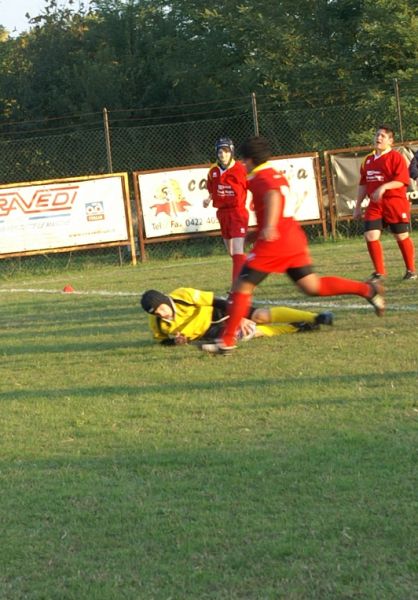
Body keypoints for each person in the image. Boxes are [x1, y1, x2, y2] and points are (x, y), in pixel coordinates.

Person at [201, 136, 385, 355]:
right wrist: (256, 233)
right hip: (292, 238)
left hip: (275, 243)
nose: (242, 163)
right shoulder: (273, 173)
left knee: (242, 286)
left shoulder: (261, 177)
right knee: (312, 286)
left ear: (250, 159)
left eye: (243, 159)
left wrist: (268, 227)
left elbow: (273, 196)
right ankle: (368, 289)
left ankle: (227, 341)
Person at [140, 287, 334, 346]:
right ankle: (297, 326)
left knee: (260, 315)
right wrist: (176, 342)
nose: (162, 313)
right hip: (210, 330)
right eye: (157, 313)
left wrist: (238, 316)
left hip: (220, 311)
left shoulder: (183, 296)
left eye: (161, 308)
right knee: (249, 333)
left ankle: (315, 317)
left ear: (165, 299)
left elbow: (219, 302)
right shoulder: (157, 322)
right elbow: (161, 341)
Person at [353, 125, 417, 281]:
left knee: (401, 236)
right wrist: (357, 206)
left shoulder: (396, 157)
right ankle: (379, 272)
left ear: (390, 141)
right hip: (375, 205)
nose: (378, 138)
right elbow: (363, 184)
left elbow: (402, 181)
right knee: (370, 235)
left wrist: (384, 187)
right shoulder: (368, 160)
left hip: (394, 203)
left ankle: (411, 270)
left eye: (382, 136)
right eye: (377, 135)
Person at [204, 137, 249, 286]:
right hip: (222, 214)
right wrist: (208, 199)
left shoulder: (241, 169)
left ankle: (237, 288)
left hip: (238, 212)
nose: (223, 154)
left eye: (226, 151)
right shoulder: (213, 170)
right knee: (232, 253)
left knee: (237, 251)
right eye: (220, 151)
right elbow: (212, 189)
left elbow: (252, 184)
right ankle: (248, 270)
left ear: (232, 152)